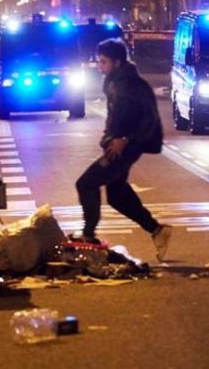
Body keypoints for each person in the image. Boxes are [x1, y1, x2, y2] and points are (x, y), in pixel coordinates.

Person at [74, 39, 172, 260]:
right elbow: (117, 115)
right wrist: (109, 136)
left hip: (126, 146)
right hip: (118, 144)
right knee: (117, 195)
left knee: (86, 183)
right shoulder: (115, 81)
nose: (100, 66)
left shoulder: (133, 85)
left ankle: (88, 235)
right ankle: (157, 230)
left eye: (104, 62)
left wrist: (125, 139)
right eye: (99, 61)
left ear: (117, 63)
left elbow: (149, 120)